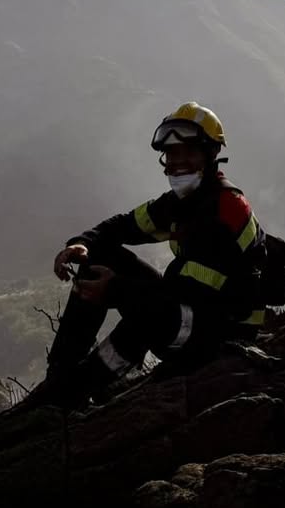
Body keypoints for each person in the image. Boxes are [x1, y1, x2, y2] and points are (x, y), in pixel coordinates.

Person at [17, 103, 266, 412]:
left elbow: (195, 298)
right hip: (190, 311)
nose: (176, 163)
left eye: (186, 152)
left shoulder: (226, 209)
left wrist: (117, 290)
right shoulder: (182, 202)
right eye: (171, 154)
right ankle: (60, 374)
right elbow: (121, 226)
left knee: (145, 315)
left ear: (210, 154)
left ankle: (77, 389)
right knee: (100, 258)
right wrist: (82, 244)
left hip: (222, 333)